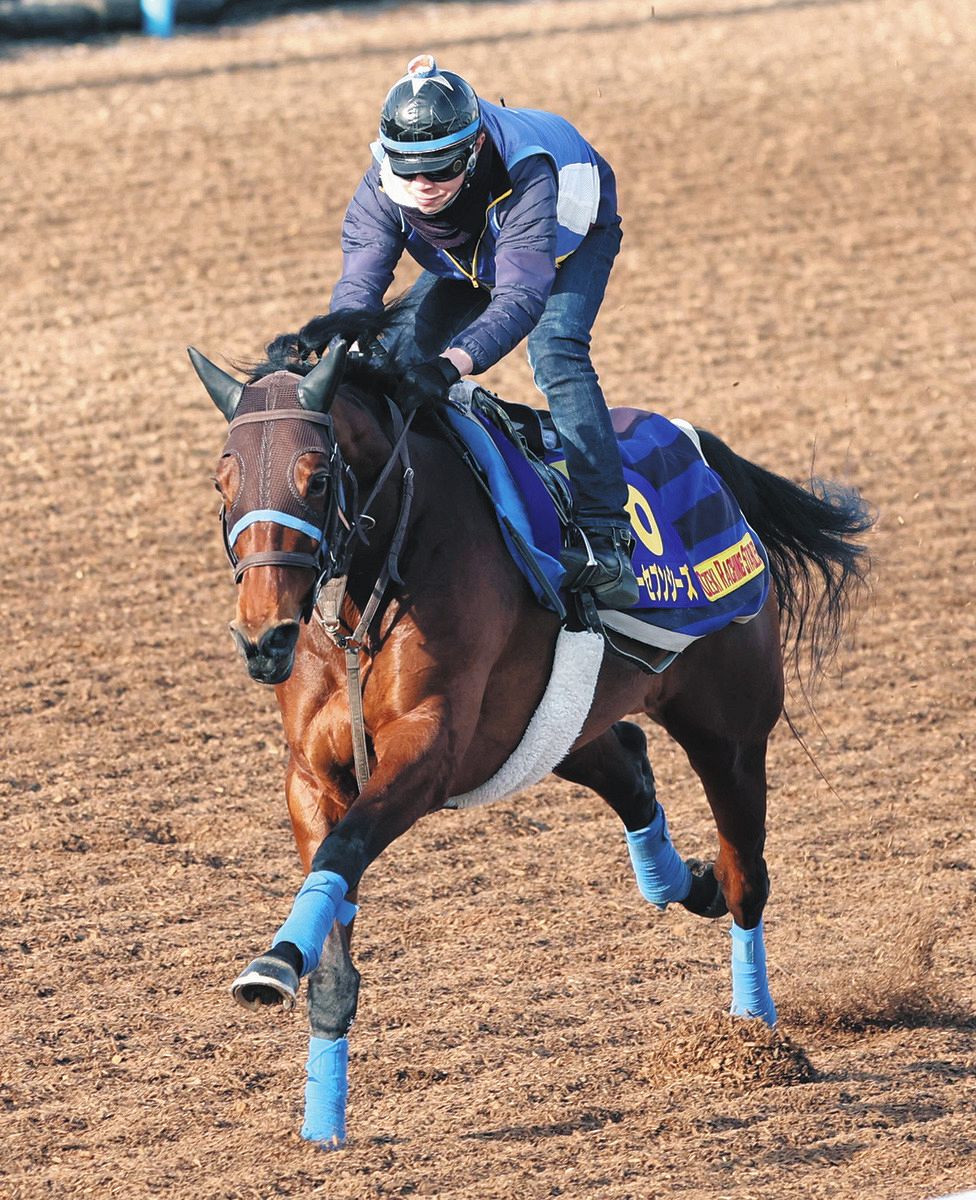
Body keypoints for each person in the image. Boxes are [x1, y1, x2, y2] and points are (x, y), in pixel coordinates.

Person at [330, 54, 639, 608]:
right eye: (408, 170)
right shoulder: (383, 182)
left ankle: (607, 536)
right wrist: (339, 345)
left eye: (440, 169)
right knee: (391, 362)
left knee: (557, 352)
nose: (422, 185)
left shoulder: (527, 171)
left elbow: (520, 296)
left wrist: (451, 365)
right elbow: (359, 287)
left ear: (473, 151)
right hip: (467, 256)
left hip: (566, 245)